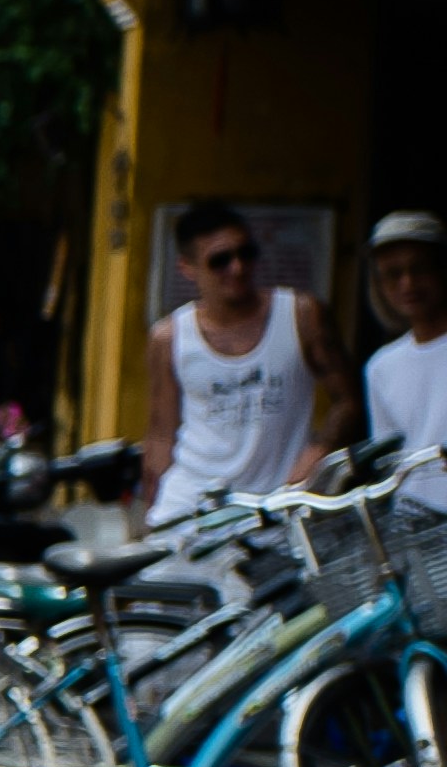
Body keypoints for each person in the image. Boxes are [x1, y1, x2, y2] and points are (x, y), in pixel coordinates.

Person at [143, 200, 351, 525]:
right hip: (191, 508)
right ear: (187, 267)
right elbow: (161, 433)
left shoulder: (301, 316)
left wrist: (319, 451)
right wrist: (150, 508)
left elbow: (348, 399)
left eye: (246, 253)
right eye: (220, 261)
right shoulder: (170, 337)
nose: (237, 268)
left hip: (277, 506)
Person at [362, 211, 447, 510]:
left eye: (419, 269)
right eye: (393, 273)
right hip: (413, 522)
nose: (407, 284)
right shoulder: (381, 367)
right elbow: (389, 461)